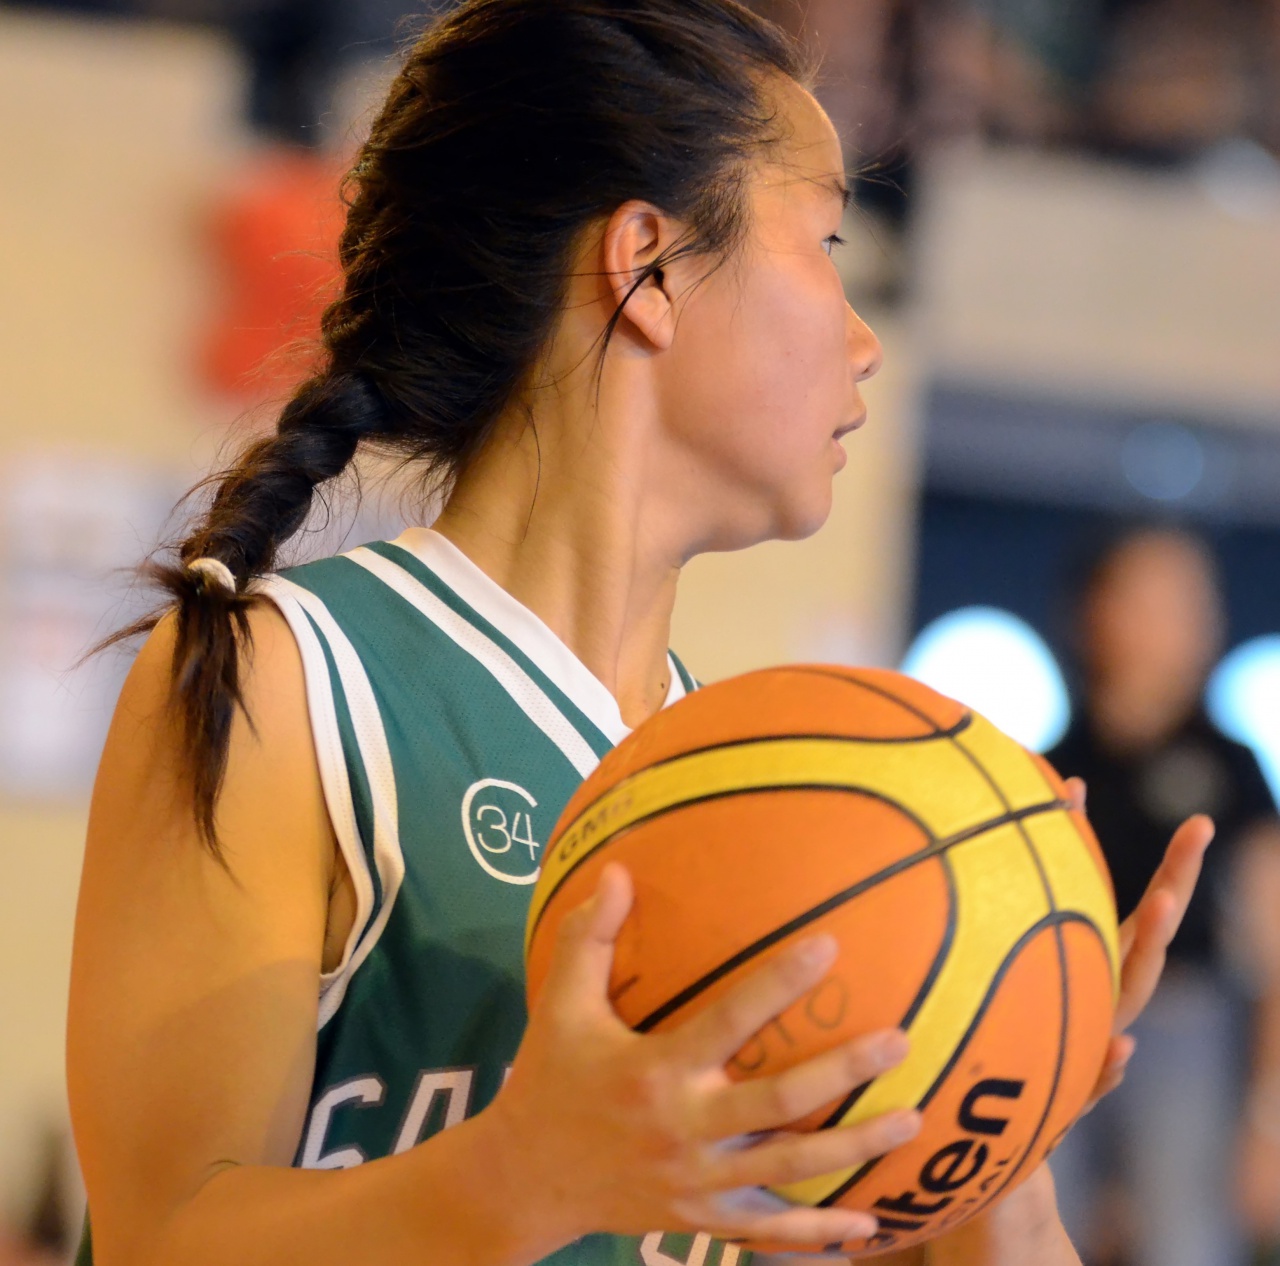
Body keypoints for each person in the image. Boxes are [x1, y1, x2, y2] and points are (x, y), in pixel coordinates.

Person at [66, 4, 1210, 1265]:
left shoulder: (774, 800)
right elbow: (157, 1237)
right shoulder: (299, 677)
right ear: (647, 268)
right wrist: (519, 1177)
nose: (866, 338)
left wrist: (1003, 1121)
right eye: (826, 240)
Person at [1047, 526, 1280, 1266]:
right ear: (1095, 612)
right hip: (1060, 1019)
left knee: (1183, 1241)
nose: (1176, 621)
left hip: (1188, 1026)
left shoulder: (1232, 767)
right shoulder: (1052, 767)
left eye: (1190, 602)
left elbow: (1275, 946)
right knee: (1038, 1226)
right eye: (1148, 599)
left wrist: (1268, 1120)